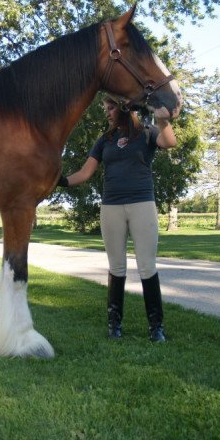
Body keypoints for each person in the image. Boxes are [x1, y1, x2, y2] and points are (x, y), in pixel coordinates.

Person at [58, 96, 177, 342]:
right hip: (111, 207)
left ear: (124, 107)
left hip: (142, 205)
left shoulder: (147, 132)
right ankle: (114, 326)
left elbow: (169, 142)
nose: (108, 113)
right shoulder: (105, 140)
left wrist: (163, 121)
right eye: (106, 109)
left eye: (111, 108)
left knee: (147, 266)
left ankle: (156, 328)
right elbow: (85, 173)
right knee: (117, 267)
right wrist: (60, 181)